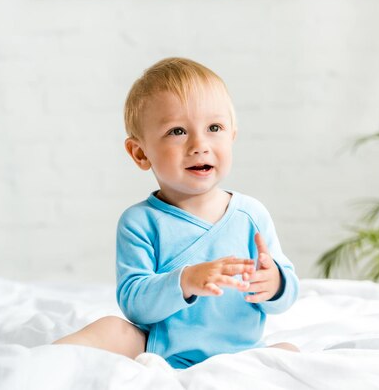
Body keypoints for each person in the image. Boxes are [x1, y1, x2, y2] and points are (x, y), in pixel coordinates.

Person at [53, 57, 299, 369]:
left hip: (241, 353)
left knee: (289, 350)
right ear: (140, 153)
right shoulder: (140, 222)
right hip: (161, 350)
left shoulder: (251, 214)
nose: (200, 144)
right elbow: (135, 305)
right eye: (178, 131)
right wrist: (185, 280)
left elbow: (286, 295)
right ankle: (45, 361)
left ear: (232, 135)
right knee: (111, 329)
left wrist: (274, 283)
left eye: (214, 127)